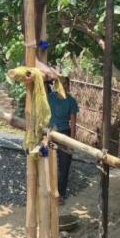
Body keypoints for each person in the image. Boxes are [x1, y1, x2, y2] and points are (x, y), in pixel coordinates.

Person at [47, 77, 79, 206]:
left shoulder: (71, 101)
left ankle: (60, 194)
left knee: (64, 165)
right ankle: (47, 191)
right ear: (55, 85)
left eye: (65, 84)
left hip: (64, 134)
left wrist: (71, 143)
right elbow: (44, 113)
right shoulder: (50, 98)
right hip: (49, 133)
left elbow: (73, 123)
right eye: (60, 84)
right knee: (48, 163)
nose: (63, 86)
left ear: (68, 86)